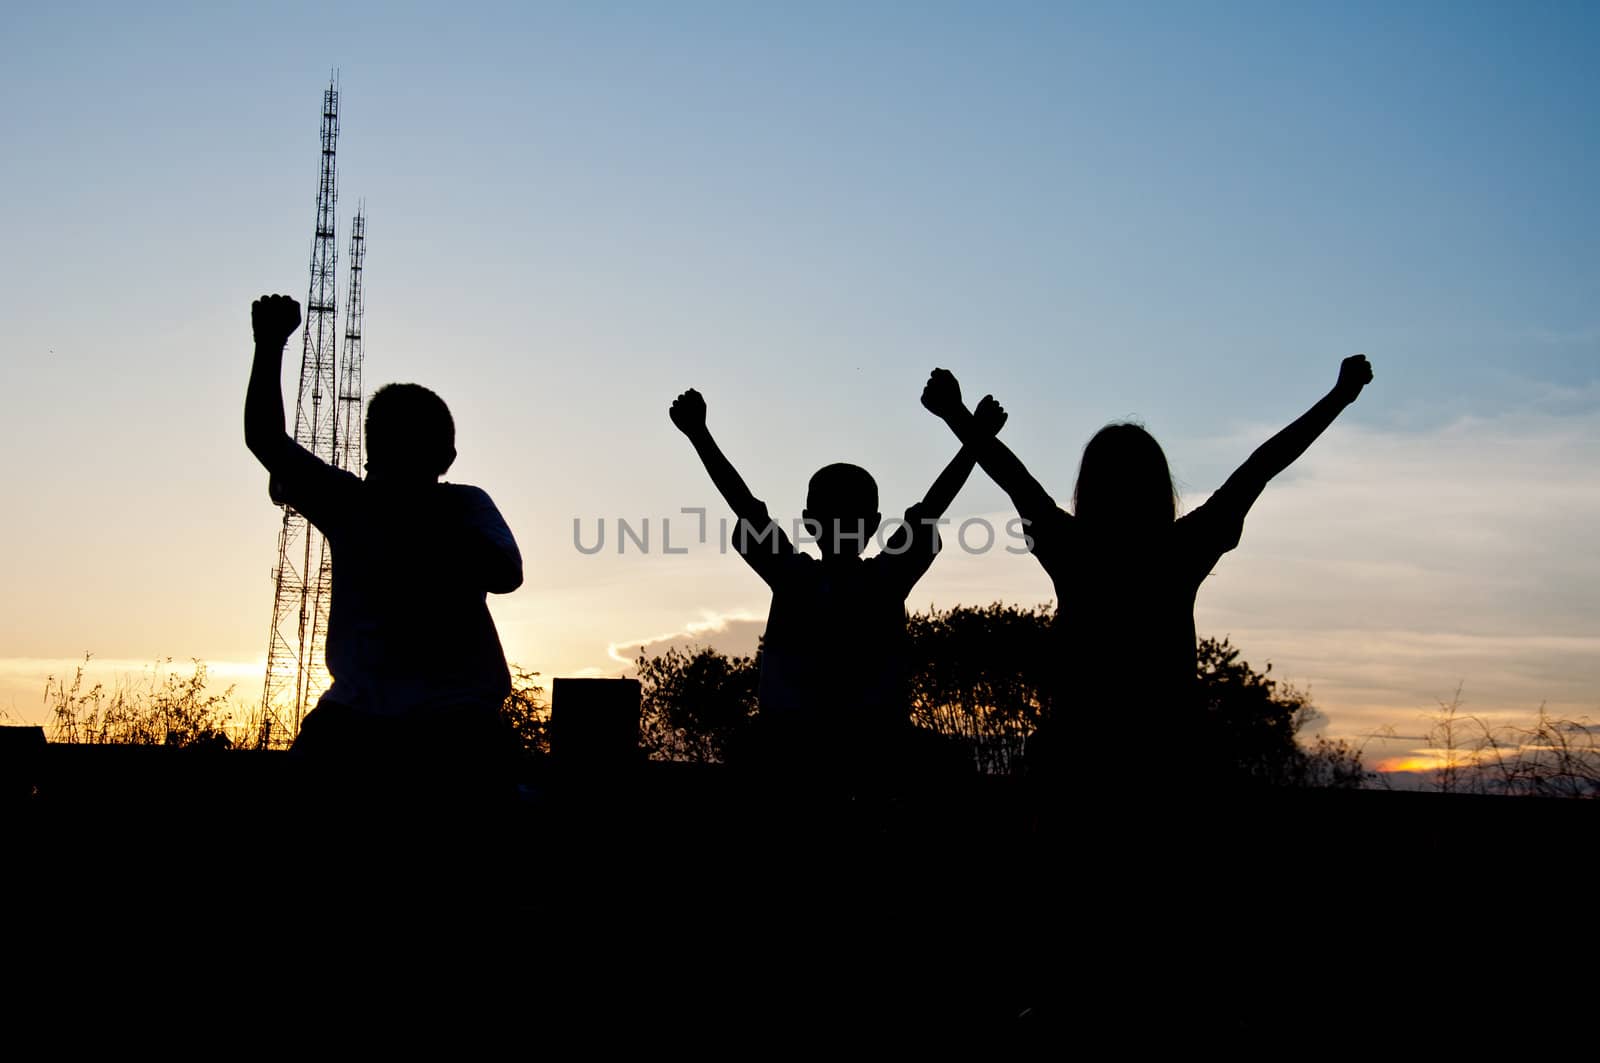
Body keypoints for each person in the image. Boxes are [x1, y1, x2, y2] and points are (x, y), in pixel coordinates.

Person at [922, 356, 1374, 792]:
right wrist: (1339, 397)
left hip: (1076, 755)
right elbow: (1261, 466)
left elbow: (1013, 478)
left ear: (1088, 487)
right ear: (1159, 487)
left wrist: (956, 414)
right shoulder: (1181, 549)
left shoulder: (1073, 547)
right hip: (1172, 756)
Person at [245, 293, 523, 806]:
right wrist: (269, 344)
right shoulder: (366, 502)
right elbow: (266, 440)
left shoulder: (443, 506)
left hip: (449, 724)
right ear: (449, 455)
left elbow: (504, 572)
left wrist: (270, 344)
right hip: (373, 722)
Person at [668, 385, 1006, 789]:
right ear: (874, 522)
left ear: (810, 521)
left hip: (801, 750)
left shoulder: (795, 577)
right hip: (865, 749)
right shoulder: (883, 578)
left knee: (748, 747)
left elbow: (747, 507)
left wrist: (700, 435)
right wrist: (976, 438)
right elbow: (929, 510)